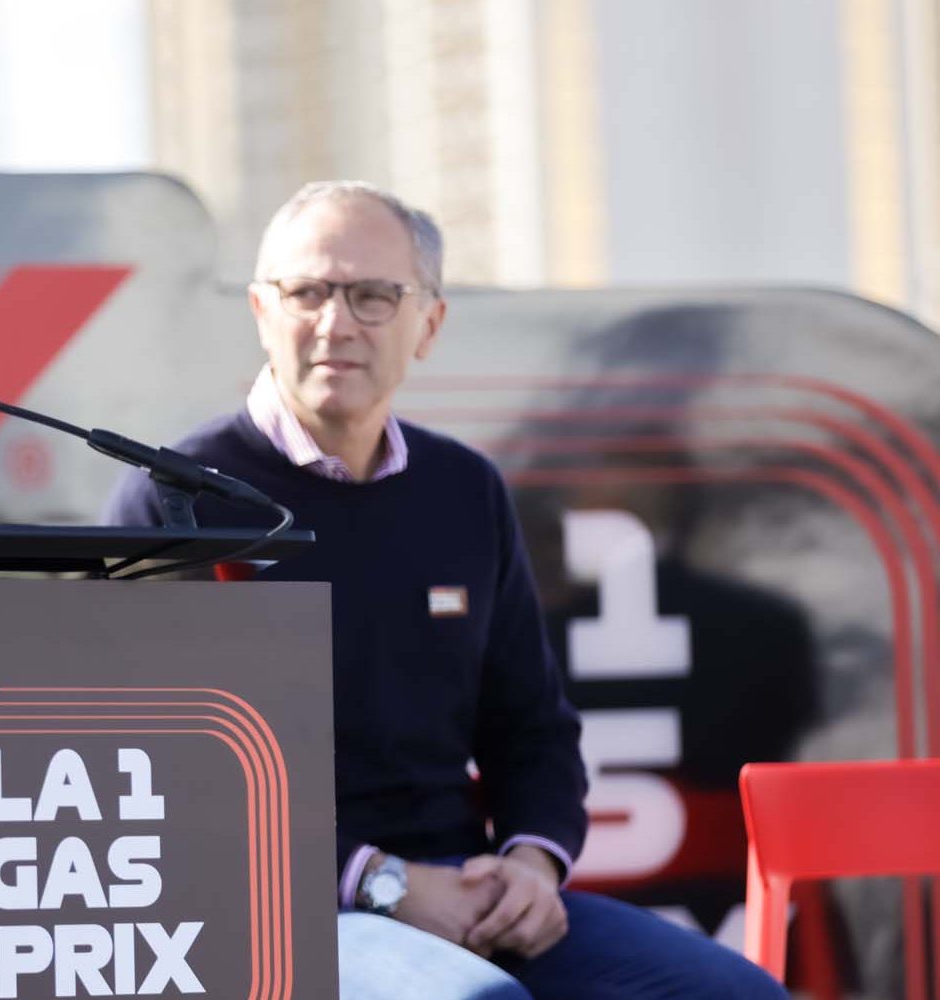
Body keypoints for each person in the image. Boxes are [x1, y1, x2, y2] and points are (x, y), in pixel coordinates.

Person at [103, 181, 787, 1000]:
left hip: (463, 889)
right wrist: (380, 881)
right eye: (309, 291)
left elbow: (530, 724)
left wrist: (532, 865)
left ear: (428, 324)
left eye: (372, 296)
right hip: (271, 909)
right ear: (261, 309)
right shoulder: (175, 500)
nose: (336, 322)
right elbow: (169, 775)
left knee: (735, 995)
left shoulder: (465, 490)